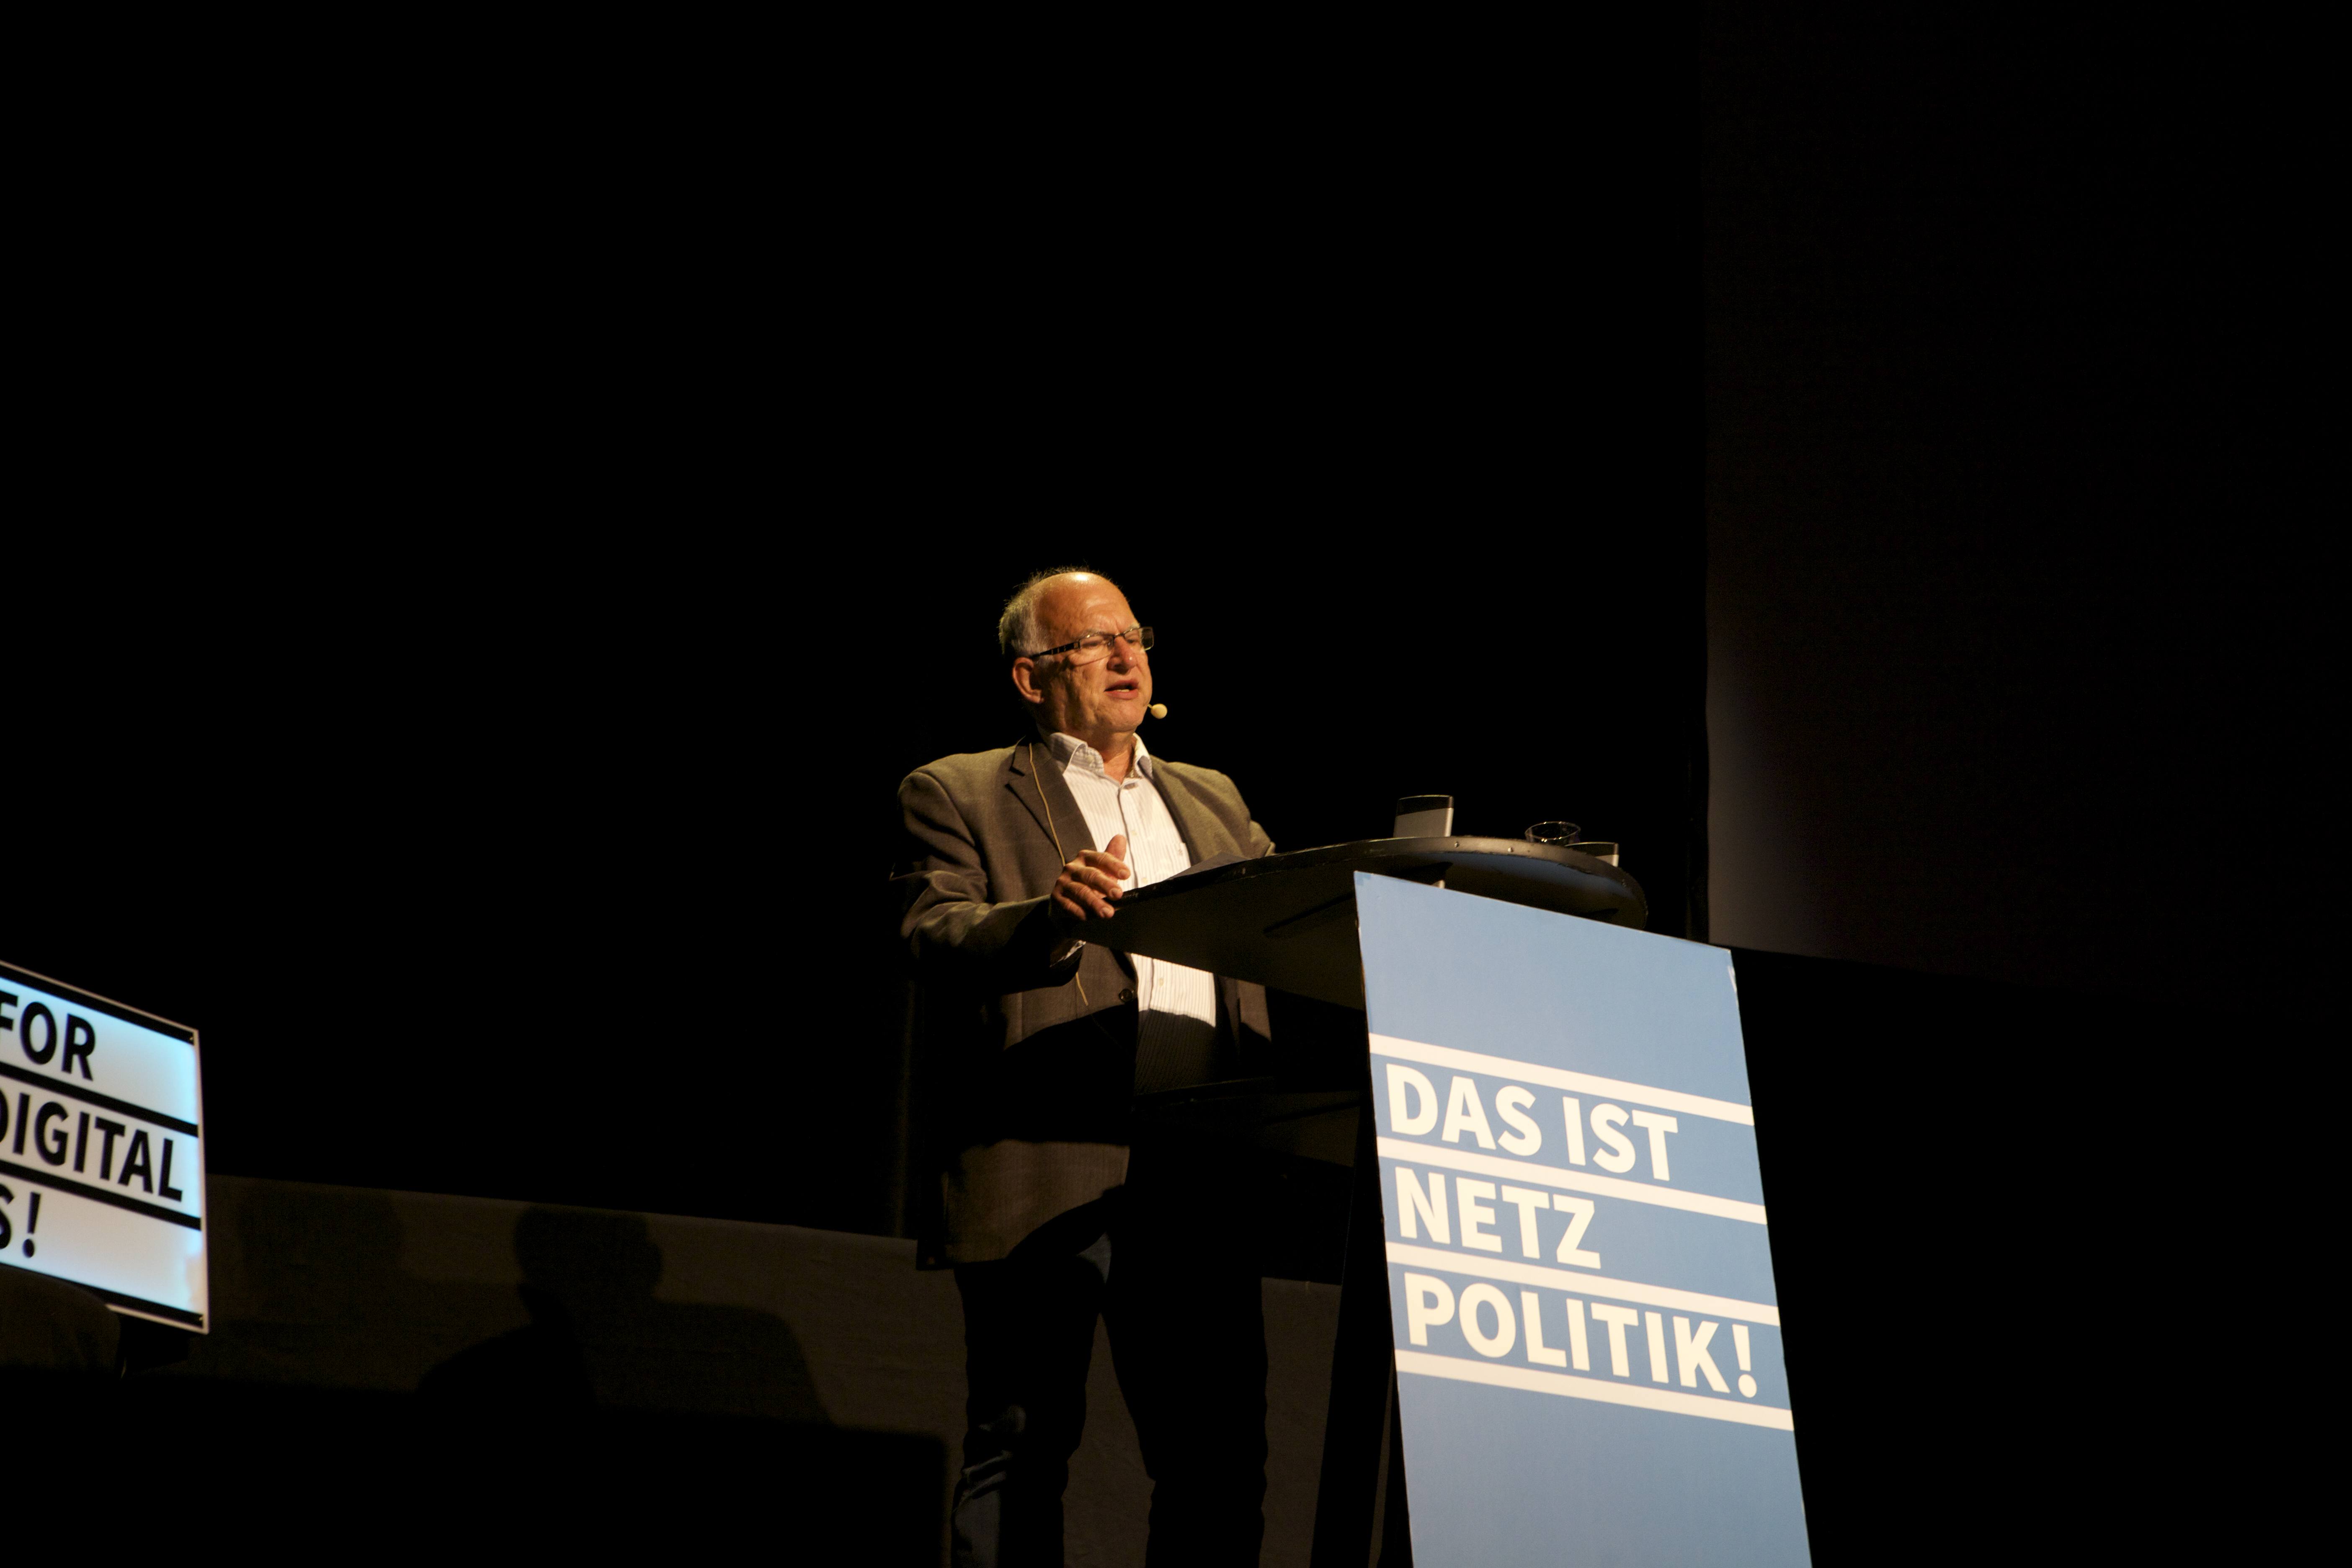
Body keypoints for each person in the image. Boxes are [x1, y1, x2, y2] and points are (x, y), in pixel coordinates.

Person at [896, 569, 1274, 1567]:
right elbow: (939, 933)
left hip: (1197, 1172)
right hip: (1045, 1170)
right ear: (1032, 679)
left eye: (1136, 636)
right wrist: (1050, 923)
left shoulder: (1212, 795)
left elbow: (1279, 925)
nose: (1125, 656)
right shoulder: (960, 789)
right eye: (1093, 644)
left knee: (1219, 1462)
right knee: (1021, 1451)